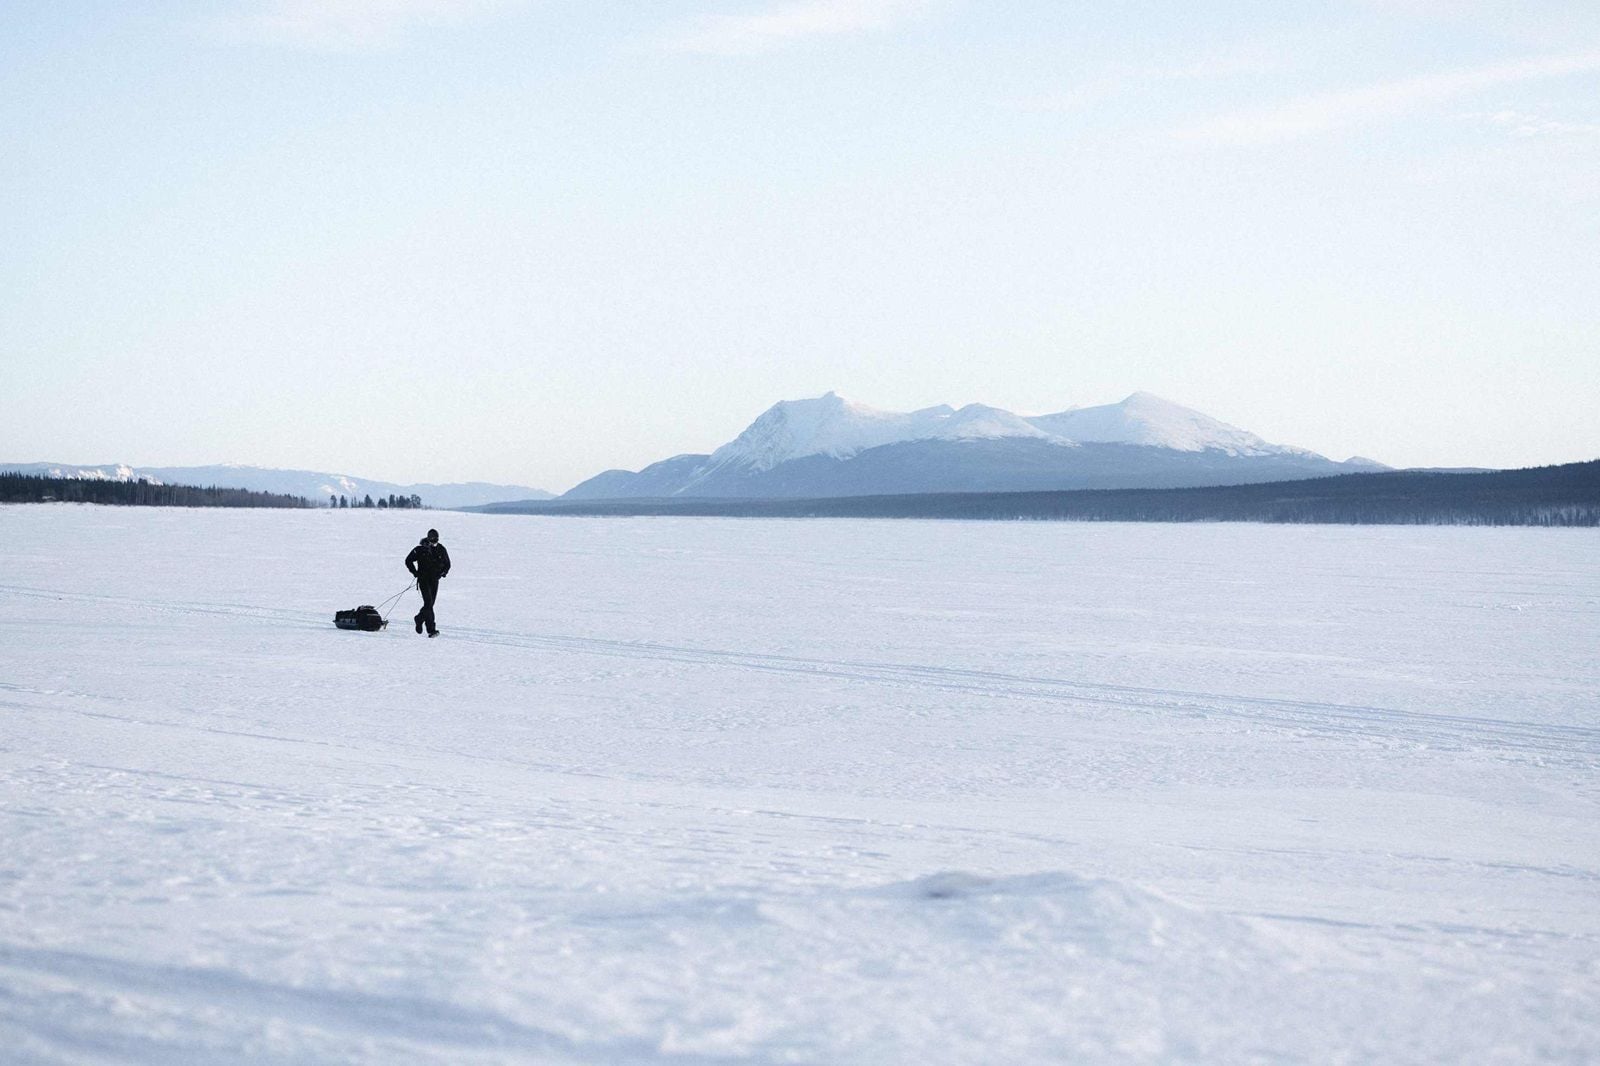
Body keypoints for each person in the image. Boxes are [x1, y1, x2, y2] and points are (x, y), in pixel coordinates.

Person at [405, 528, 451, 637]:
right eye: (432, 539)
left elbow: (447, 564)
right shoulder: (420, 549)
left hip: (435, 580)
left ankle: (419, 618)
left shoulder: (441, 549)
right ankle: (431, 630)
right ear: (428, 538)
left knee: (430, 604)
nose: (434, 542)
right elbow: (408, 560)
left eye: (436, 539)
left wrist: (442, 573)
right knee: (428, 603)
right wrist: (415, 572)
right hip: (423, 580)